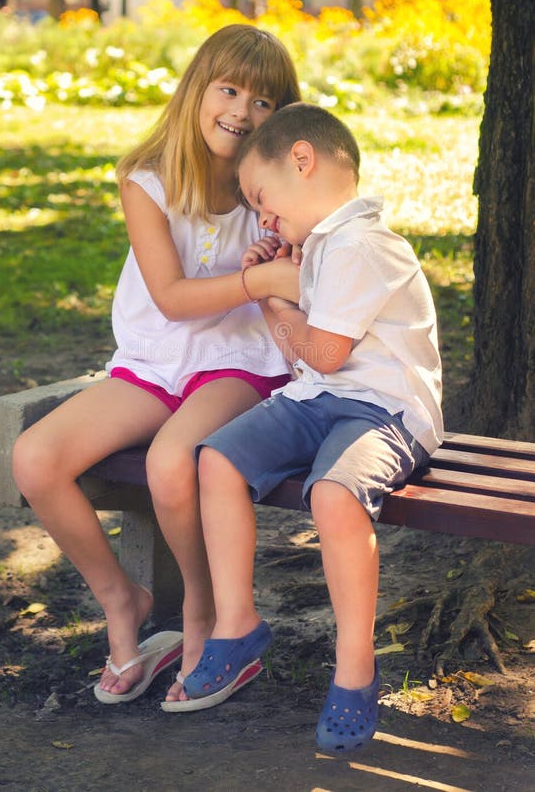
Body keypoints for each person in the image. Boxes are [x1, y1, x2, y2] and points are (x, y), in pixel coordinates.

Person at [12, 25, 302, 707]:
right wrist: (260, 282)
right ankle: (122, 601)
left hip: (238, 359)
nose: (240, 110)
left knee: (173, 461)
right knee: (35, 457)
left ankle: (204, 615)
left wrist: (274, 277)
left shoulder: (276, 186)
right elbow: (170, 299)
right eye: (228, 89)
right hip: (154, 356)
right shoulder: (146, 178)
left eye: (263, 102)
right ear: (197, 88)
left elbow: (298, 281)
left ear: (281, 116)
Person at [181, 103, 444, 752]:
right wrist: (282, 279)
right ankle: (236, 623)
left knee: (332, 494)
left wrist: (267, 290)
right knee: (217, 460)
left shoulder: (361, 245)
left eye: (263, 198)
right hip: (321, 396)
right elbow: (308, 359)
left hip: (384, 409)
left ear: (303, 160)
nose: (262, 217)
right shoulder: (323, 245)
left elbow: (321, 353)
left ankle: (355, 668)